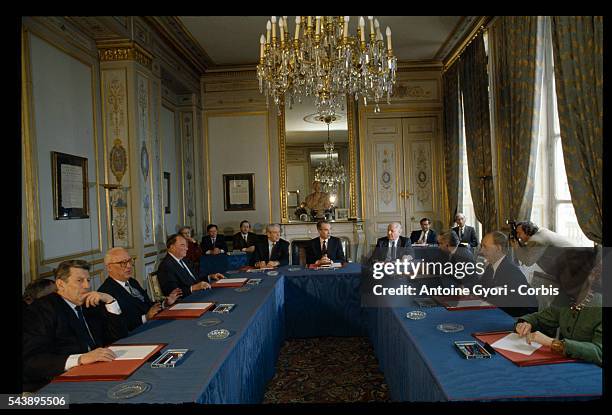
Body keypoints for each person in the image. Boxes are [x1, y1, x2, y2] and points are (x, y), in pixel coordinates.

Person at [23, 260, 128, 392]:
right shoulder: (41, 310)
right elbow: (31, 361)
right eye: (80, 281)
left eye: (88, 280)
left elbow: (119, 337)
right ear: (61, 284)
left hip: (97, 372)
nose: (87, 286)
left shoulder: (88, 303)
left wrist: (109, 300)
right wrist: (80, 359)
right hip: (53, 384)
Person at [515, 258, 602, 366]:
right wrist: (526, 323)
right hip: (565, 363)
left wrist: (553, 343)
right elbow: (543, 318)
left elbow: (599, 351)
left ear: (593, 275)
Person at [98, 248, 182, 331]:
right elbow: (119, 325)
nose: (129, 266)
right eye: (123, 263)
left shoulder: (132, 282)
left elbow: (147, 305)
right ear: (109, 267)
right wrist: (145, 318)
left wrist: (165, 303)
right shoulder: (106, 292)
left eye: (130, 261)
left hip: (152, 325)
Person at [478, 231, 538, 317]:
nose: (481, 250)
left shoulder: (511, 271)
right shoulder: (490, 268)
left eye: (485, 247)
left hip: (520, 318)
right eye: (481, 246)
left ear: (498, 248)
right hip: (500, 313)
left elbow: (515, 305)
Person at [157, 234, 224, 298]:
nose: (186, 248)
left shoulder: (184, 260)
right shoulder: (166, 266)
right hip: (186, 300)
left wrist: (210, 277)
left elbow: (195, 278)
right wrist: (193, 288)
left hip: (200, 294)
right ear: (172, 247)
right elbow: (172, 292)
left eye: (186, 246)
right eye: (182, 245)